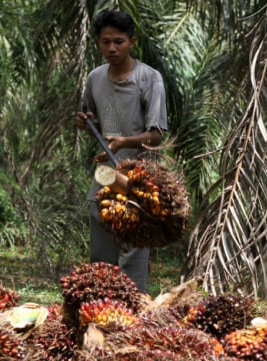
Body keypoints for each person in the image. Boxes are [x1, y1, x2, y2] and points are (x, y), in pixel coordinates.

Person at [74, 9, 168, 293]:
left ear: (132, 42)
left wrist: (123, 142)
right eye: (105, 42)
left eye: (118, 41)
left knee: (132, 253)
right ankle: (99, 308)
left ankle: (133, 316)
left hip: (140, 178)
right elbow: (96, 123)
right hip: (106, 174)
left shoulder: (149, 79)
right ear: (98, 43)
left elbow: (157, 135)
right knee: (100, 252)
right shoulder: (94, 79)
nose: (112, 48)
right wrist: (85, 123)